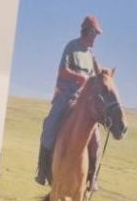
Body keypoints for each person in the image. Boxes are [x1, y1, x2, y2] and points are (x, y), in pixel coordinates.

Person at [35, 14, 103, 189]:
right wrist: (80, 77)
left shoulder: (92, 56)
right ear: (88, 31)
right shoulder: (72, 47)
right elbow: (62, 71)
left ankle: (93, 177)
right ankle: (42, 170)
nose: (96, 37)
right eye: (95, 33)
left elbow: (96, 80)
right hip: (66, 96)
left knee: (96, 138)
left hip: (84, 101)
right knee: (50, 125)